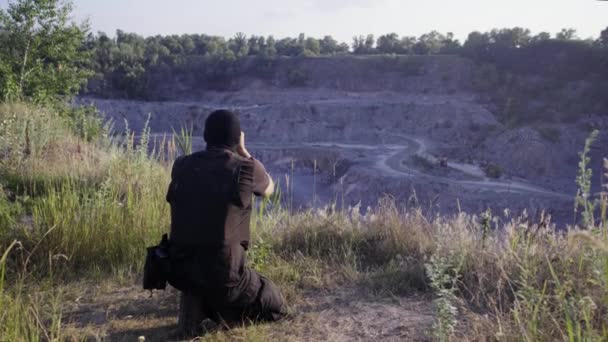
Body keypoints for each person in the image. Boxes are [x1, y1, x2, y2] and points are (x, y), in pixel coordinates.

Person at [166, 109, 286, 336]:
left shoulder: (181, 165)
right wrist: (244, 151)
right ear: (237, 137)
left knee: (202, 277)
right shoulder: (245, 167)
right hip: (225, 275)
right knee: (275, 303)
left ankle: (198, 303)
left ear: (206, 136)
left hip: (180, 269)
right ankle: (223, 311)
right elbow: (270, 189)